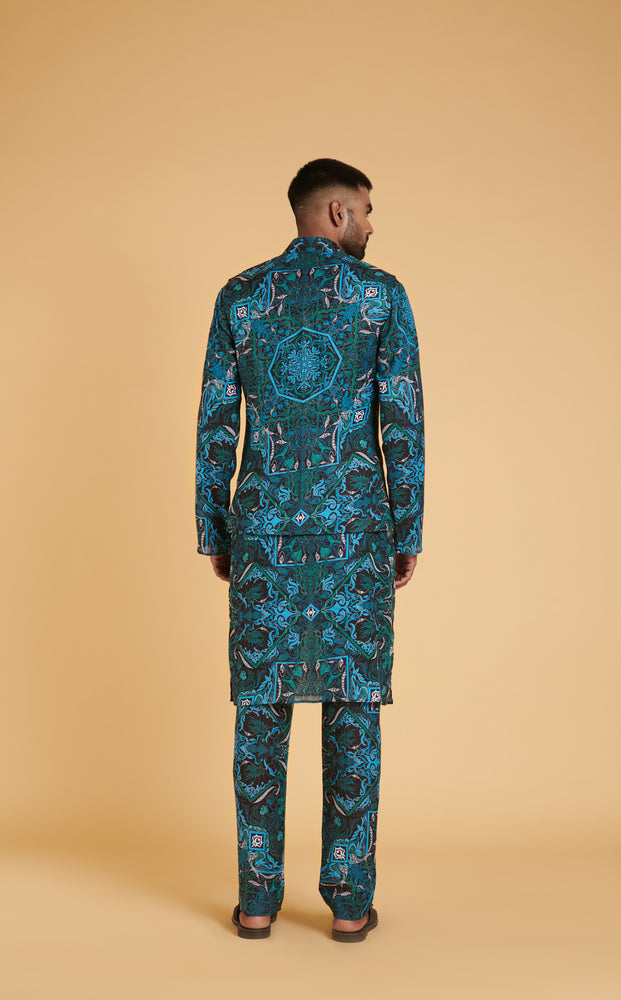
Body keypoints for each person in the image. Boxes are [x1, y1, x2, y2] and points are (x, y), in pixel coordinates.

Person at [195, 158, 425, 942]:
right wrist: (406, 529)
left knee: (259, 713)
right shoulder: (380, 296)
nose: (369, 224)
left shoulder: (240, 295)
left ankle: (257, 902)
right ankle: (350, 906)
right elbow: (402, 420)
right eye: (364, 210)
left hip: (263, 531)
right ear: (333, 212)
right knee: (352, 713)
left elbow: (216, 420)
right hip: (355, 534)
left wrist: (215, 528)